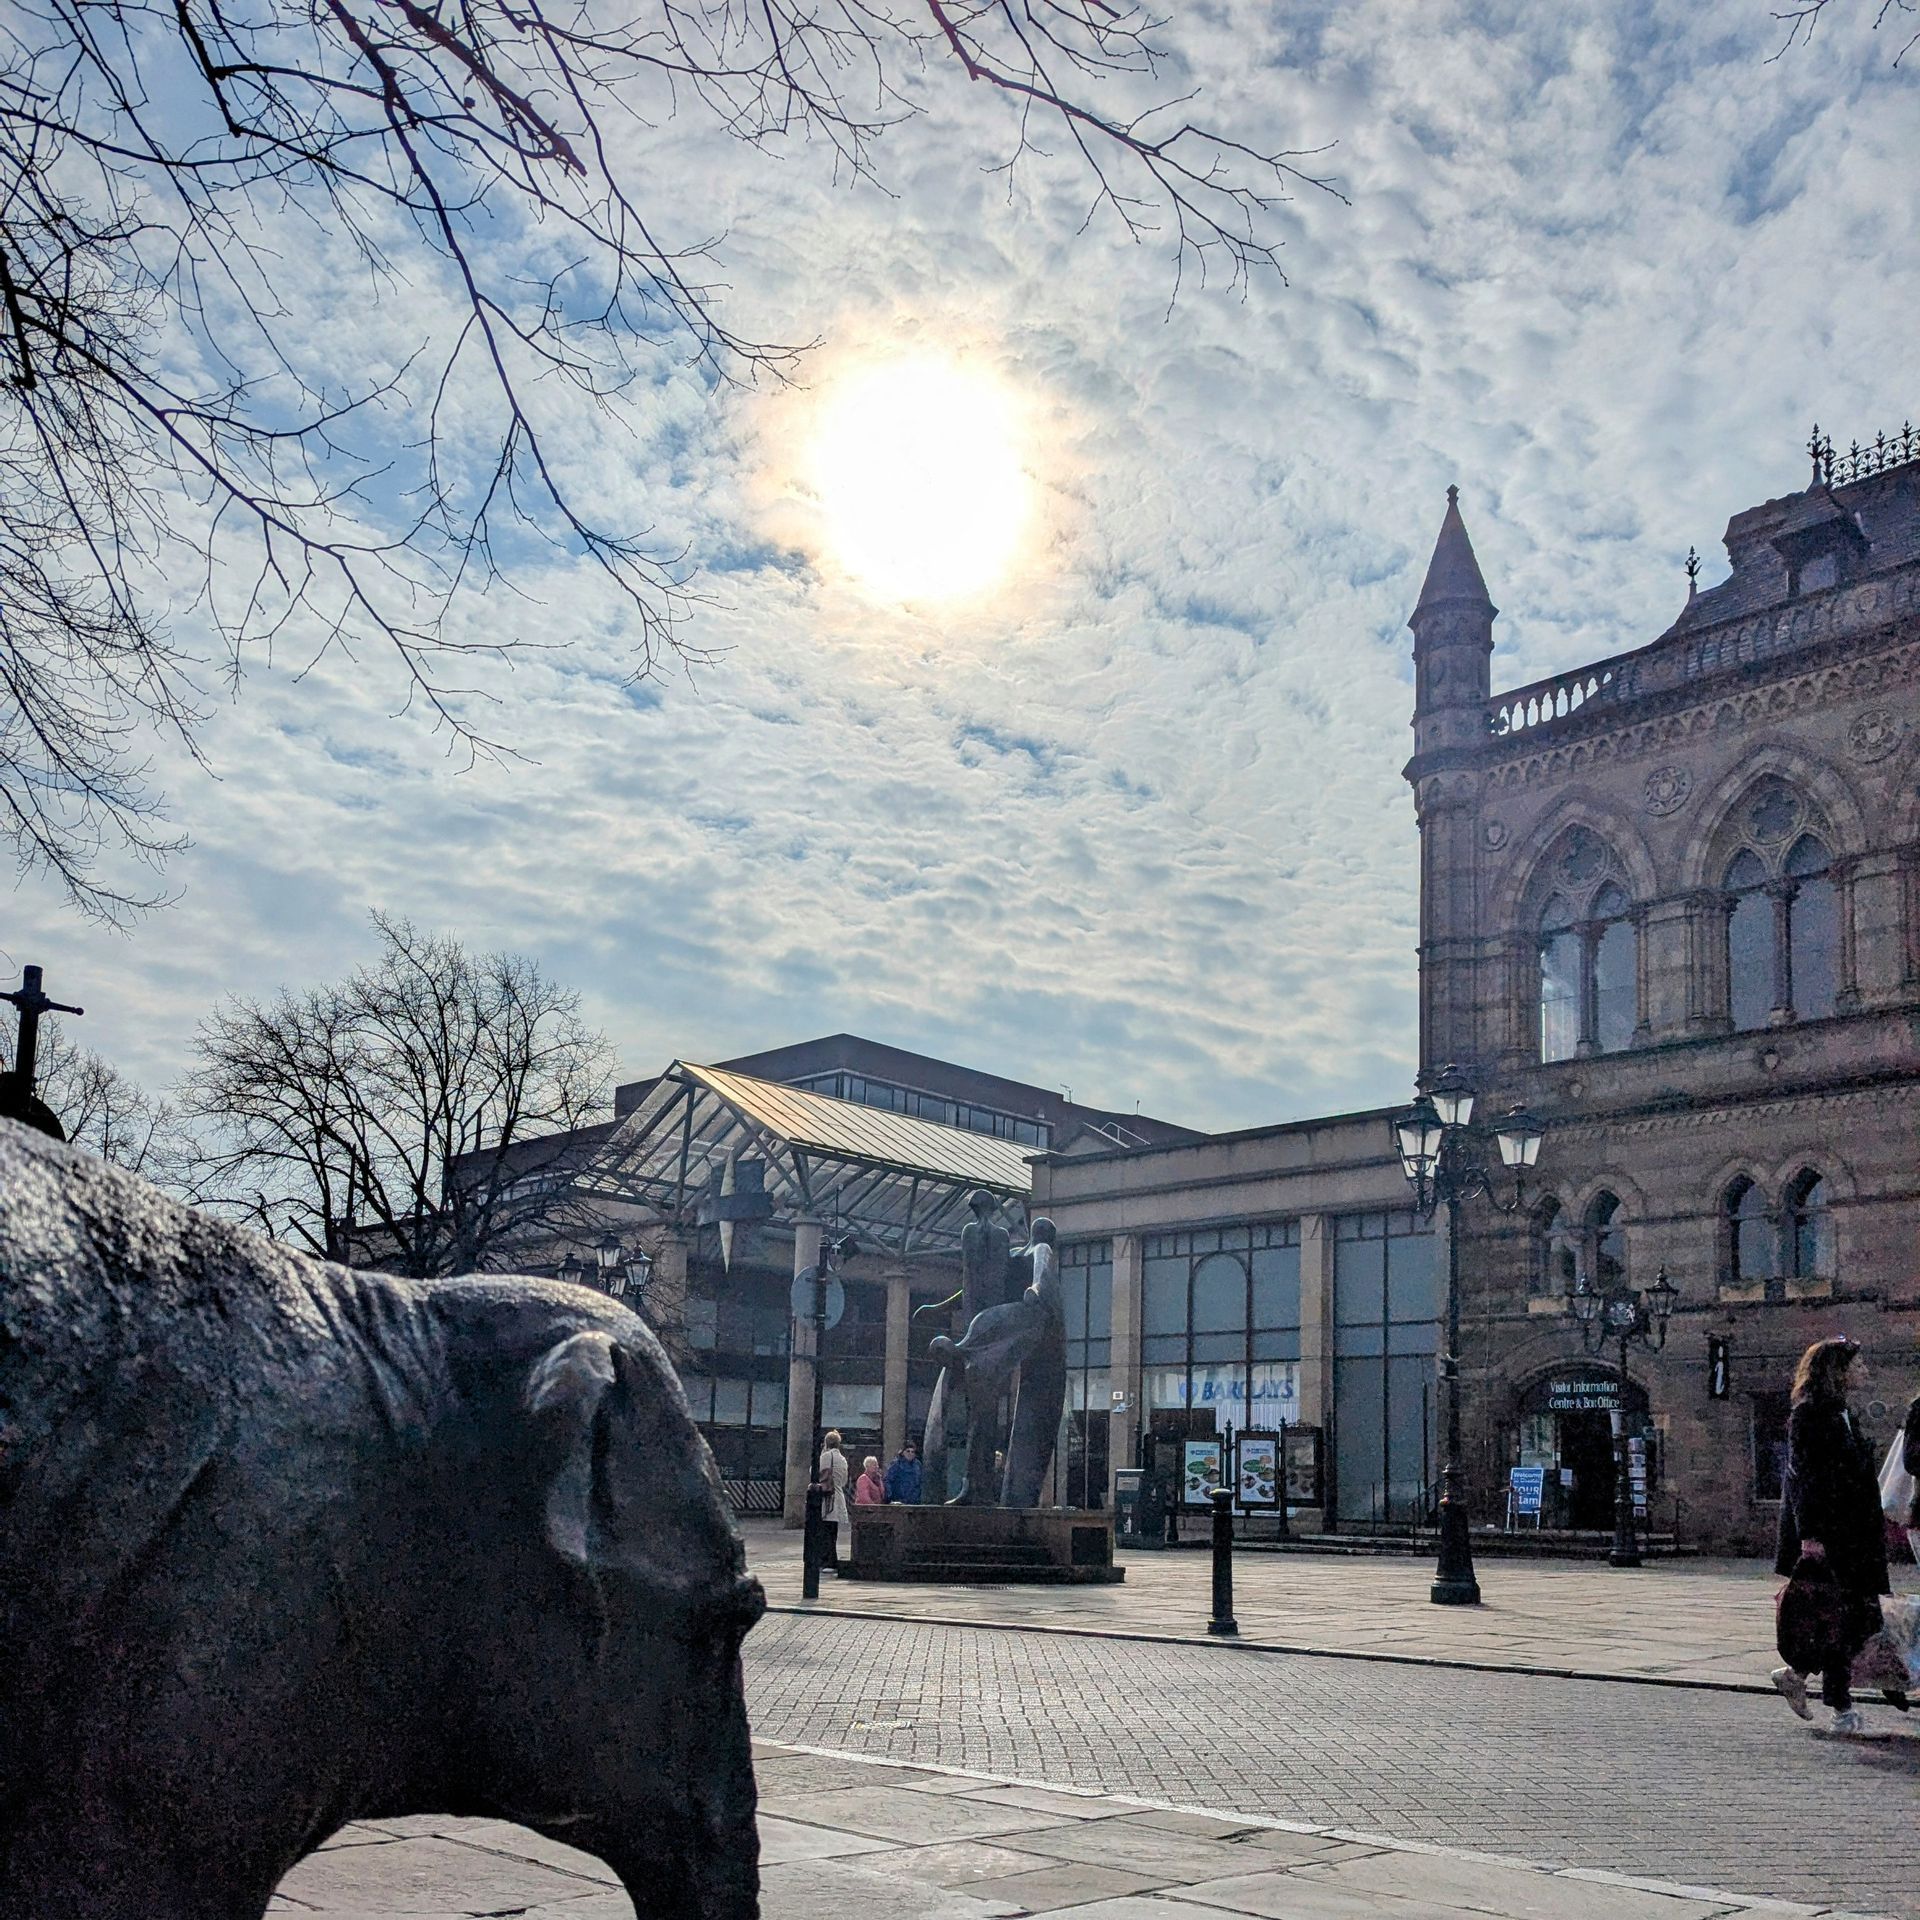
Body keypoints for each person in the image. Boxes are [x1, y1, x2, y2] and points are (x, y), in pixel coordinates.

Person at [1771, 1338, 1891, 1735]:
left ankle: (1797, 1675)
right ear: (1837, 1371)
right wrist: (1810, 1535)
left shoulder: (1842, 1412)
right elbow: (1804, 1478)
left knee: (1856, 1618)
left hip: (1856, 1533)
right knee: (1842, 1618)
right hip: (1833, 1535)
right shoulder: (1809, 1414)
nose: (1865, 1372)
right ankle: (1840, 1708)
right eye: (1858, 1365)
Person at [817, 1430, 850, 1570]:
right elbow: (843, 1481)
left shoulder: (825, 1457)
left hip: (827, 1497)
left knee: (825, 1532)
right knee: (833, 1532)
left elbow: (815, 1474)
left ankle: (827, 1561)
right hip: (838, 1495)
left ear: (826, 1443)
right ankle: (832, 1560)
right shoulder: (842, 1459)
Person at [884, 1441, 923, 1505]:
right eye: (908, 1451)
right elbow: (888, 1480)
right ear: (903, 1452)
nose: (910, 1453)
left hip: (914, 1501)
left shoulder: (918, 1465)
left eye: (912, 1452)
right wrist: (889, 1497)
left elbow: (920, 1482)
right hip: (898, 1501)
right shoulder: (896, 1464)